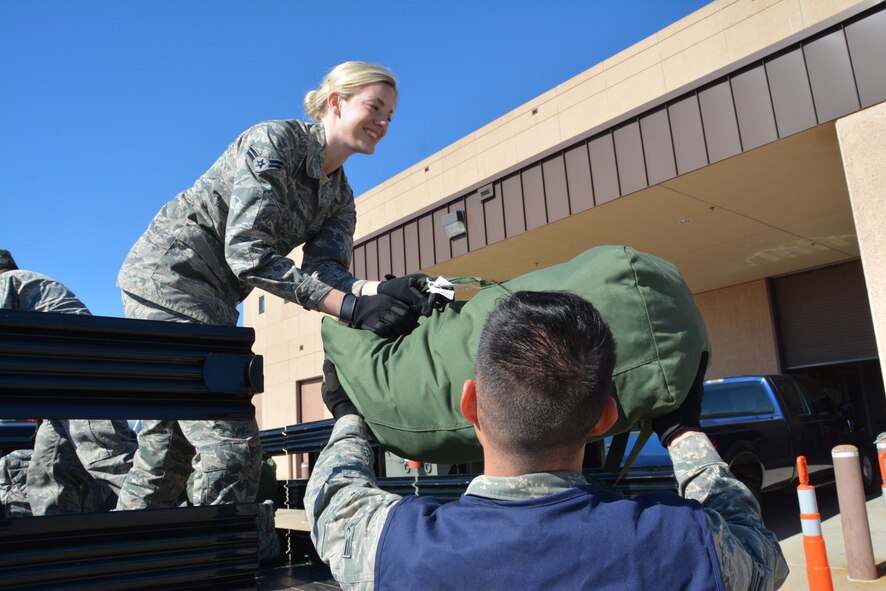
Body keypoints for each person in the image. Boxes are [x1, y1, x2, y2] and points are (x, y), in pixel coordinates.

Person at [305, 290, 789, 590]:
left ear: (469, 403)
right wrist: (685, 434)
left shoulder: (400, 549)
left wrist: (350, 418)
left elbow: (333, 501)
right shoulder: (680, 541)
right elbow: (761, 554)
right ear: (605, 418)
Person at [115, 61, 432, 510]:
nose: (382, 123)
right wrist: (348, 307)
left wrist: (379, 290)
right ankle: (217, 567)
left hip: (216, 300)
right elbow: (247, 253)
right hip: (170, 279)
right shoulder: (275, 143)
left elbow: (328, 273)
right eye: (374, 107)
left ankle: (121, 560)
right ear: (336, 102)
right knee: (232, 450)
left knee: (166, 453)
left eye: (390, 117)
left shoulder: (339, 198)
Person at [0, 249, 137, 515]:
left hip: (81, 380)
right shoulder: (30, 283)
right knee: (48, 471)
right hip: (63, 388)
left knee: (110, 459)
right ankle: (54, 543)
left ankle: (161, 528)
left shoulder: (8, 282)